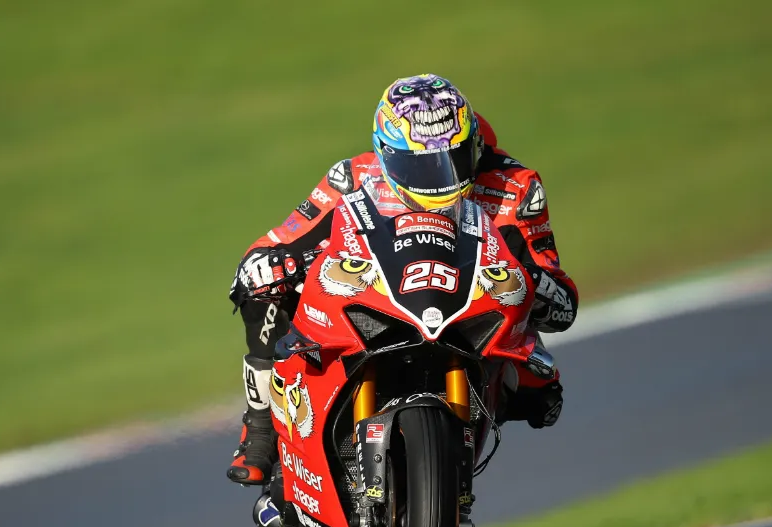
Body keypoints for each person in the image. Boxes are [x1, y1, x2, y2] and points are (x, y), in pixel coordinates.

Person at [227, 74, 579, 485]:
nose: (439, 180)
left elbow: (563, 303)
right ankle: (261, 425)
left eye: (453, 159)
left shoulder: (515, 189)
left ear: (474, 146)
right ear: (386, 153)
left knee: (541, 392)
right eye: (419, 165)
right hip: (374, 310)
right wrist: (272, 264)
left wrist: (527, 275)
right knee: (263, 289)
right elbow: (273, 244)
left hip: (470, 328)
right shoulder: (353, 177)